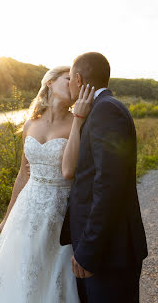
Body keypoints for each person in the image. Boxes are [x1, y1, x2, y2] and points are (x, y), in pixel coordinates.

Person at [0, 65, 95, 303]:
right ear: (50, 82)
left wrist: (78, 122)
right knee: (16, 268)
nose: (74, 84)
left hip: (59, 212)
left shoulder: (79, 122)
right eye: (68, 79)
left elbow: (70, 172)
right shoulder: (31, 124)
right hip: (27, 208)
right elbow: (23, 174)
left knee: (49, 271)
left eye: (76, 81)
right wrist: (6, 217)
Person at [60, 52, 148, 303]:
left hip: (109, 254)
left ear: (78, 79)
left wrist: (89, 252)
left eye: (69, 79)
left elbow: (108, 188)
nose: (68, 84)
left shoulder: (106, 111)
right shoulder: (99, 109)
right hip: (104, 251)